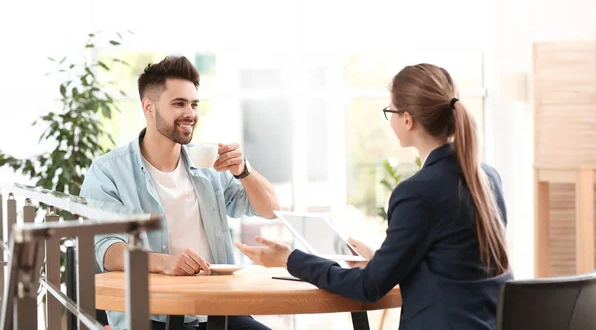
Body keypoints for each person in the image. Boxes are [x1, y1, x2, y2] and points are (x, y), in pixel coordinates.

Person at [236, 63, 513, 329]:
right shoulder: (488, 177)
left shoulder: (418, 191)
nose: (390, 120)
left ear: (407, 119)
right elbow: (452, 262)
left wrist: (290, 259)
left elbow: (368, 287)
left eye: (390, 111)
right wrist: (381, 260)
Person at [81, 56, 278, 330]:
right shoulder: (108, 172)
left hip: (219, 310)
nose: (190, 113)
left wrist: (244, 170)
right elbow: (108, 251)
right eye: (179, 104)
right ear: (148, 107)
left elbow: (269, 209)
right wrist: (165, 263)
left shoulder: (209, 166)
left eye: (194, 104)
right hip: (151, 316)